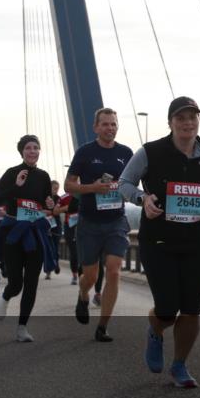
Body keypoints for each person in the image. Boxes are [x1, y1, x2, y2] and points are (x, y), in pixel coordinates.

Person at [119, 97, 200, 388]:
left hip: (197, 242)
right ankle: (156, 329)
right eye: (181, 118)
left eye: (192, 117)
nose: (187, 123)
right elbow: (124, 184)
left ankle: (180, 365)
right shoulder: (150, 152)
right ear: (170, 122)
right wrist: (142, 199)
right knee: (168, 308)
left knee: (192, 308)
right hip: (158, 241)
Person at [65, 108, 134, 342]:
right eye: (105, 124)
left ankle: (103, 326)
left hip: (116, 220)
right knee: (91, 277)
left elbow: (132, 185)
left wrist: (127, 192)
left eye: (113, 124)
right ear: (96, 127)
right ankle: (83, 293)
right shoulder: (85, 152)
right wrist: (92, 188)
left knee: (114, 271)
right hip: (89, 222)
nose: (110, 128)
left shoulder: (126, 153)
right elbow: (69, 186)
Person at [0, 135, 55, 342]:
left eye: (36, 147)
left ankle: (22, 328)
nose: (33, 151)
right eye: (28, 148)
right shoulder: (11, 173)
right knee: (16, 283)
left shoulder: (44, 176)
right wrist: (16, 186)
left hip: (34, 232)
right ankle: (5, 296)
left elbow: (46, 202)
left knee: (31, 283)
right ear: (21, 151)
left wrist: (50, 203)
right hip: (14, 232)